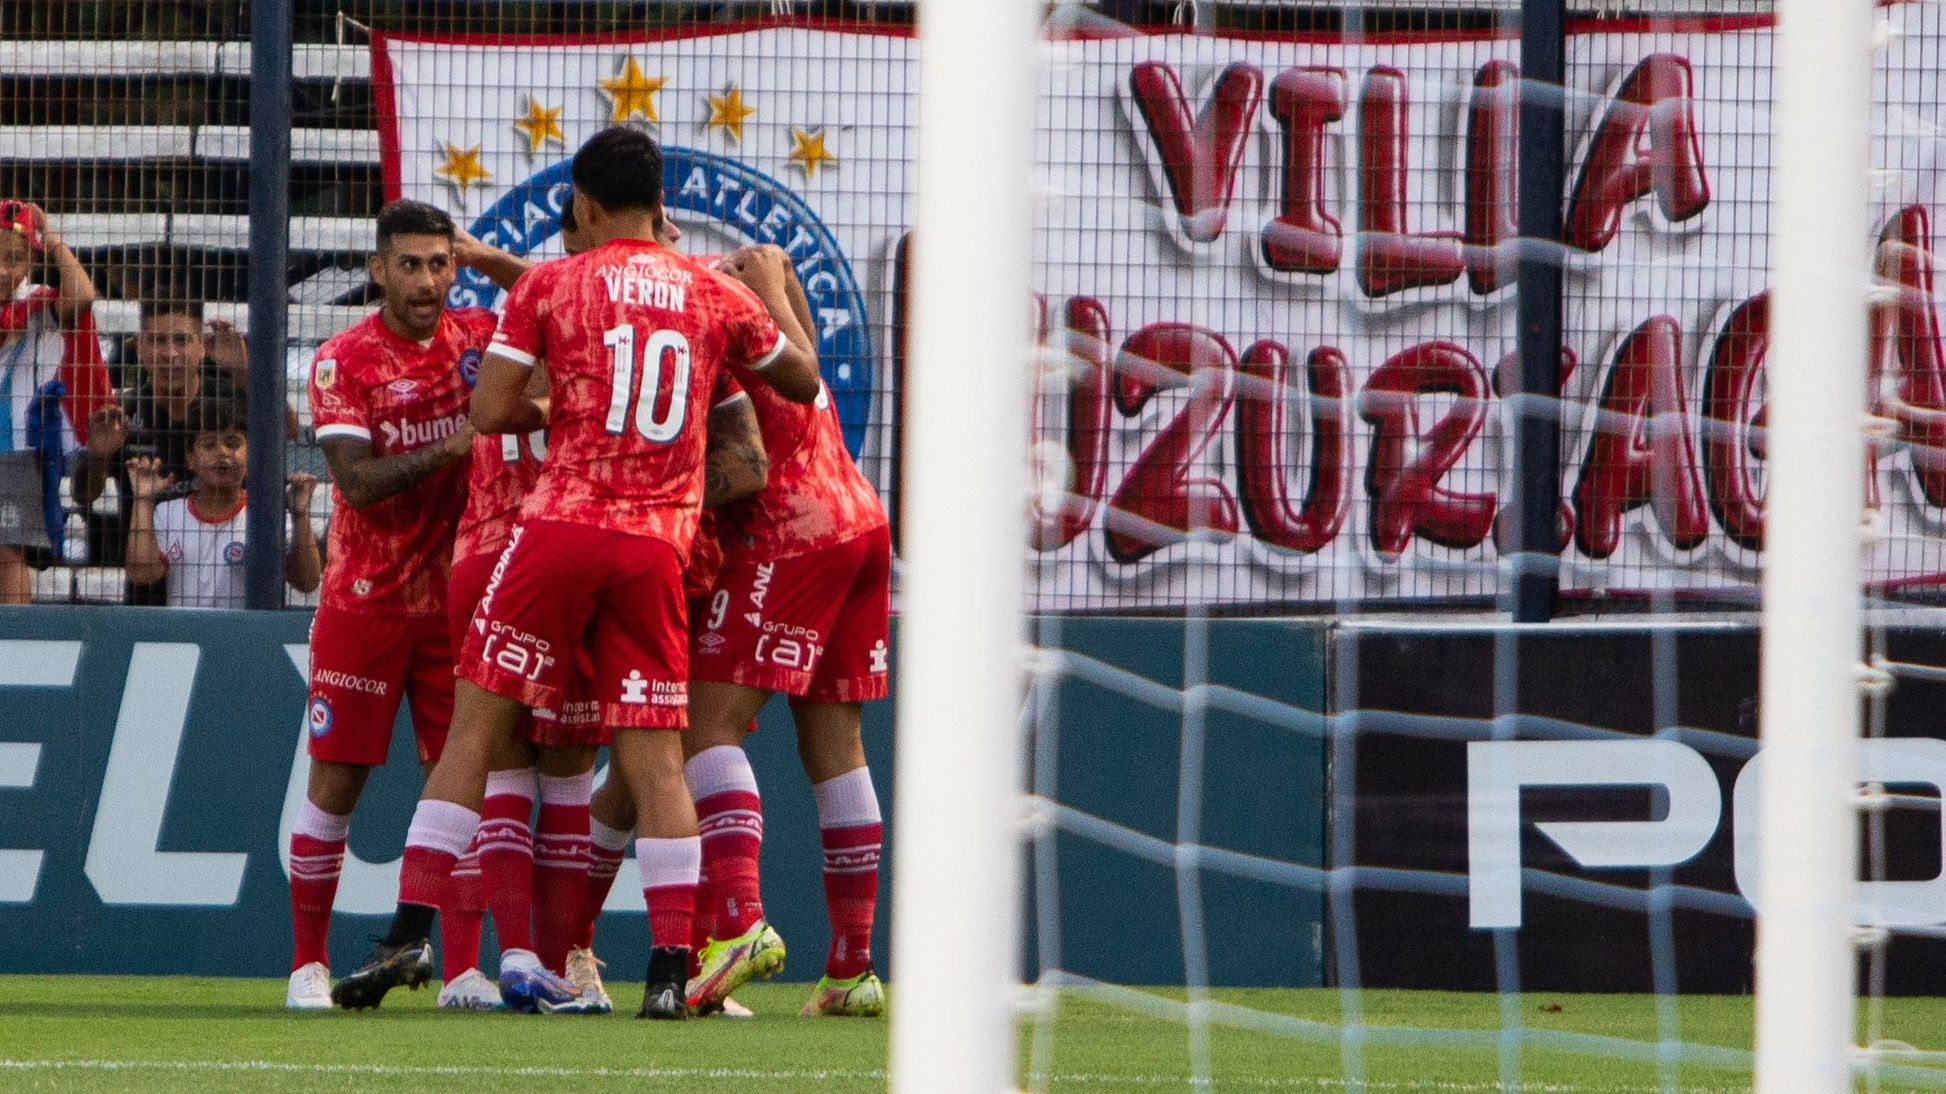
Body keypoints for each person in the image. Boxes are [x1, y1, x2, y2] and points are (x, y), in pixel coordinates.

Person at [329, 126, 818, 1020]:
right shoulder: (709, 294)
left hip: (561, 528)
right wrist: (773, 303)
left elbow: (488, 412)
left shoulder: (554, 282)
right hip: (656, 546)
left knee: (477, 730)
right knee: (654, 760)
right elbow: (801, 380)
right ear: (661, 203)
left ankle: (406, 933)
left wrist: (564, 399)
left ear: (585, 206)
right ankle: (669, 974)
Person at [581, 247, 892, 1019]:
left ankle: (738, 924)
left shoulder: (677, 302)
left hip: (785, 526)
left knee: (698, 731)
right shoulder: (760, 277)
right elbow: (807, 369)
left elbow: (739, 461)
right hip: (857, 517)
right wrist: (776, 285)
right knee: (837, 750)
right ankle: (851, 969)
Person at [284, 200, 511, 1011]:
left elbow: (558, 293)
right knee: (336, 783)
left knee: (463, 780)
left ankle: (461, 971)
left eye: (439, 264)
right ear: (378, 271)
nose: (426, 280)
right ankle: (307, 963)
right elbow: (355, 481)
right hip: (366, 599)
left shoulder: (482, 340)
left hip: (459, 601)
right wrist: (459, 442)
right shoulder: (343, 360)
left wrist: (485, 257)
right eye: (409, 265)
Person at [72, 297, 247, 579]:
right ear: (140, 347)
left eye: (182, 340)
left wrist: (244, 374)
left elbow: (287, 431)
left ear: (202, 346)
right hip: (148, 575)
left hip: (227, 570)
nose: (170, 353)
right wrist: (99, 457)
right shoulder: (124, 413)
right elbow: (83, 496)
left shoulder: (229, 400)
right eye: (157, 341)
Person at [0, 199, 110, 603]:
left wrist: (52, 239)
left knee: (10, 556)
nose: (2, 269)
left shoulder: (40, 305)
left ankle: (15, 650)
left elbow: (82, 295)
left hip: (15, 451)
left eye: (14, 258)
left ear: (32, 260)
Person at [122, 398, 320, 608]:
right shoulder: (168, 512)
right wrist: (142, 500)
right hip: (184, 636)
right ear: (191, 459)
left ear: (250, 455)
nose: (223, 452)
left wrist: (301, 515)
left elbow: (308, 582)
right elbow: (142, 574)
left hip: (245, 636)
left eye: (233, 443)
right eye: (209, 445)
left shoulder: (267, 516)